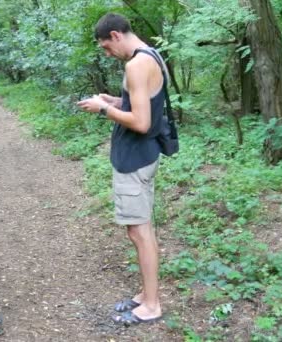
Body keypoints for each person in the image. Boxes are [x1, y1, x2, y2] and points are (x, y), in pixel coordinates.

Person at [76, 13, 169, 325]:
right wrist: (115, 99)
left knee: (139, 232)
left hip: (136, 157)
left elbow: (141, 122)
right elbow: (145, 104)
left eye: (105, 47)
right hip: (144, 155)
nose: (106, 53)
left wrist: (105, 109)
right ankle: (146, 294)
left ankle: (152, 305)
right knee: (141, 229)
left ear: (116, 35)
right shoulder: (151, 55)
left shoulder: (136, 64)